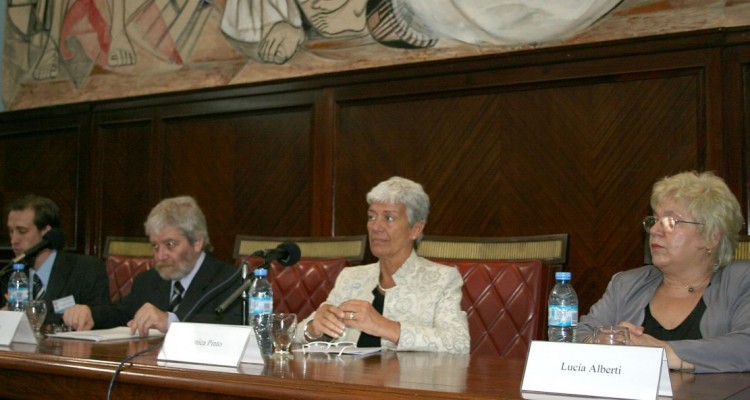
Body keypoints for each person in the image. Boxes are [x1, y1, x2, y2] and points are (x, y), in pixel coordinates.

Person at [576, 171, 750, 373]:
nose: (654, 230)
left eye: (670, 222)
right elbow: (578, 334)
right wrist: (602, 340)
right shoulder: (627, 284)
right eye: (654, 220)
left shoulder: (741, 281)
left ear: (711, 237)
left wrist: (661, 351)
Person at [296, 176, 470, 353]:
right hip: (348, 378)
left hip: (408, 380)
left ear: (415, 229)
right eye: (371, 217)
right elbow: (297, 334)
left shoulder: (442, 279)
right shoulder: (351, 277)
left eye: (388, 218)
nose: (375, 227)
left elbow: (459, 343)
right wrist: (313, 329)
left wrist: (384, 327)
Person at [63, 196, 242, 335]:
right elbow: (120, 313)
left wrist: (170, 322)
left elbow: (234, 325)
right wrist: (90, 314)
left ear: (197, 242)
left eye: (170, 244)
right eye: (155, 246)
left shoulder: (229, 280)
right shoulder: (148, 280)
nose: (160, 255)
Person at [1, 194, 109, 328]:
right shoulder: (9, 274)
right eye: (11, 231)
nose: (13, 240)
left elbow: (104, 319)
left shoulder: (87, 268)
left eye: (22, 231)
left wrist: (26, 318)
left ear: (47, 232)